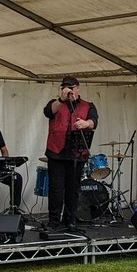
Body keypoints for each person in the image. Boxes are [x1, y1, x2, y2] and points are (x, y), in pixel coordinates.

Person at [43, 76, 97, 230]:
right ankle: (54, 220)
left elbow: (94, 120)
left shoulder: (88, 105)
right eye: (64, 88)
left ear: (77, 89)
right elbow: (48, 112)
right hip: (56, 152)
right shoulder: (55, 103)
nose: (68, 90)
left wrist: (86, 123)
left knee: (73, 189)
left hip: (77, 153)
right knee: (56, 189)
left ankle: (70, 219)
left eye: (70, 88)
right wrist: (61, 99)